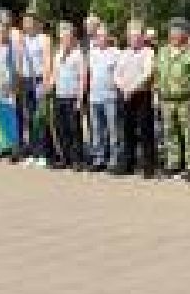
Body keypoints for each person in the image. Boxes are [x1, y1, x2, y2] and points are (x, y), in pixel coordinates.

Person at [156, 18, 190, 180]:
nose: (173, 34)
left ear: (185, 34)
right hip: (166, 99)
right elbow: (158, 74)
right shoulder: (162, 51)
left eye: (177, 32)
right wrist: (157, 95)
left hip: (186, 100)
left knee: (189, 134)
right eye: (172, 31)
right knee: (170, 133)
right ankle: (173, 164)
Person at [115, 20, 157, 178]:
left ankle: (148, 167)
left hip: (142, 95)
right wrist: (122, 87)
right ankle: (128, 164)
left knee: (146, 131)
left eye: (137, 36)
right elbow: (117, 73)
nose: (133, 39)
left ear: (142, 37)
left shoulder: (148, 52)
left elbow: (147, 74)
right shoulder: (123, 53)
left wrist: (131, 88)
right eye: (131, 36)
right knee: (127, 131)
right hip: (125, 95)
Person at [45, 22, 86, 170]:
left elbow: (83, 77)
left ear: (72, 38)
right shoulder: (58, 54)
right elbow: (55, 73)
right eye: (62, 38)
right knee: (61, 128)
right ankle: (65, 158)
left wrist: (80, 98)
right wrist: (49, 86)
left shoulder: (78, 54)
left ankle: (77, 160)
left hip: (72, 96)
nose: (64, 40)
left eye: (67, 37)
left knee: (74, 129)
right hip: (59, 96)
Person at [86, 25, 122, 173]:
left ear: (108, 37)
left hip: (110, 97)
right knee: (97, 130)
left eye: (103, 36)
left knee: (113, 130)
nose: (100, 39)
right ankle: (99, 159)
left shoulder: (116, 53)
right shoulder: (92, 53)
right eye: (97, 36)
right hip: (94, 97)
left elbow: (121, 73)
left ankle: (114, 159)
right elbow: (88, 74)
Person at [16, 14, 51, 163]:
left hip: (38, 80)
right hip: (26, 80)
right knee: (28, 118)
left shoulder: (43, 38)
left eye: (29, 22)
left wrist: (45, 81)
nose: (26, 25)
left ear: (36, 24)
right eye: (24, 23)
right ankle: (33, 152)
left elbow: (47, 60)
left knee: (40, 118)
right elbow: (19, 61)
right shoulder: (22, 40)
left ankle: (43, 153)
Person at [0, 20, 20, 157]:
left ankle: (14, 148)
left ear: (8, 33)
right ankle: (2, 146)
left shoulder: (13, 48)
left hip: (9, 87)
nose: (1, 34)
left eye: (4, 32)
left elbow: (17, 68)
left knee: (10, 117)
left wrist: (14, 86)